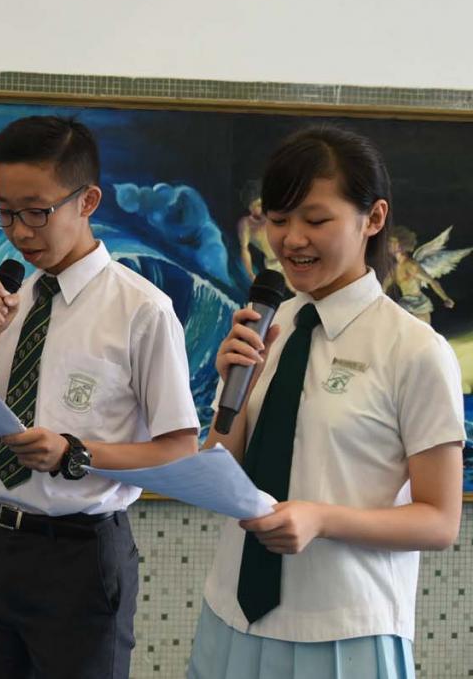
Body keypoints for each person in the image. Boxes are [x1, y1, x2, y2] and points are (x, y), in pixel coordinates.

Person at [188, 126, 464, 678]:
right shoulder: (267, 326)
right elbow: (222, 468)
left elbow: (439, 521)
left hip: (344, 628)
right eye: (278, 219)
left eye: (315, 221)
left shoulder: (414, 350)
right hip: (231, 615)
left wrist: (321, 518)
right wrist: (235, 389)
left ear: (374, 218)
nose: (292, 240)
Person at [0, 115, 200, 679]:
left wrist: (74, 453)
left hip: (80, 556)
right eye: (4, 212)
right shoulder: (10, 300)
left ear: (87, 201)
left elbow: (180, 453)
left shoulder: (142, 310)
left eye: (36, 211)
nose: (19, 232)